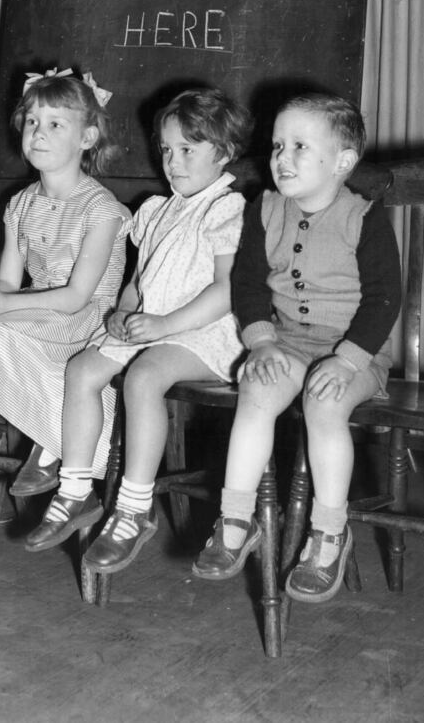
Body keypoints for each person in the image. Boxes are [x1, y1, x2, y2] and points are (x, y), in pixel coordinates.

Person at [24, 87, 251, 573]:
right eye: (167, 150)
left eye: (188, 150)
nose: (173, 161)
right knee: (83, 369)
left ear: (225, 152)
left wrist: (165, 324)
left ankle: (133, 507)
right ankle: (76, 490)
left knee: (145, 377)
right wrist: (121, 314)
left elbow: (226, 290)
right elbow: (136, 282)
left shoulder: (225, 208)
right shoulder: (155, 210)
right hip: (151, 327)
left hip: (203, 334)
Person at [192, 92, 401, 603]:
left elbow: (385, 298)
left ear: (343, 163)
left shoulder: (364, 217)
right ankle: (237, 520)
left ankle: (329, 533)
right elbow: (249, 287)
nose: (281, 158)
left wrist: (348, 358)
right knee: (257, 389)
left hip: (357, 350)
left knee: (323, 402)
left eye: (300, 147)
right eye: (277, 145)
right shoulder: (264, 211)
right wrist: (261, 343)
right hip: (285, 343)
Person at [0, 68, 131, 490]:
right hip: (34, 307)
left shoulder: (101, 209)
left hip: (84, 319)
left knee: (4, 335)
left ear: (87, 138)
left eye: (55, 124)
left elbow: (77, 297)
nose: (38, 133)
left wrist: (5, 305)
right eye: (32, 122)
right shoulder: (20, 204)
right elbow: (7, 280)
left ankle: (51, 440)